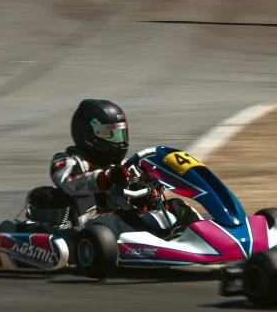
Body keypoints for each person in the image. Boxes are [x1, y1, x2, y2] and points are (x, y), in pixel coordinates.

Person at [50, 99, 202, 237]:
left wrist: (152, 183)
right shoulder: (67, 161)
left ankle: (210, 236)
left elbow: (139, 181)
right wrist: (107, 177)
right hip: (93, 223)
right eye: (110, 134)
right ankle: (165, 241)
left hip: (126, 215)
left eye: (120, 133)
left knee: (177, 206)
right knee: (120, 218)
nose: (119, 141)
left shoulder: (124, 164)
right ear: (89, 134)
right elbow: (71, 183)